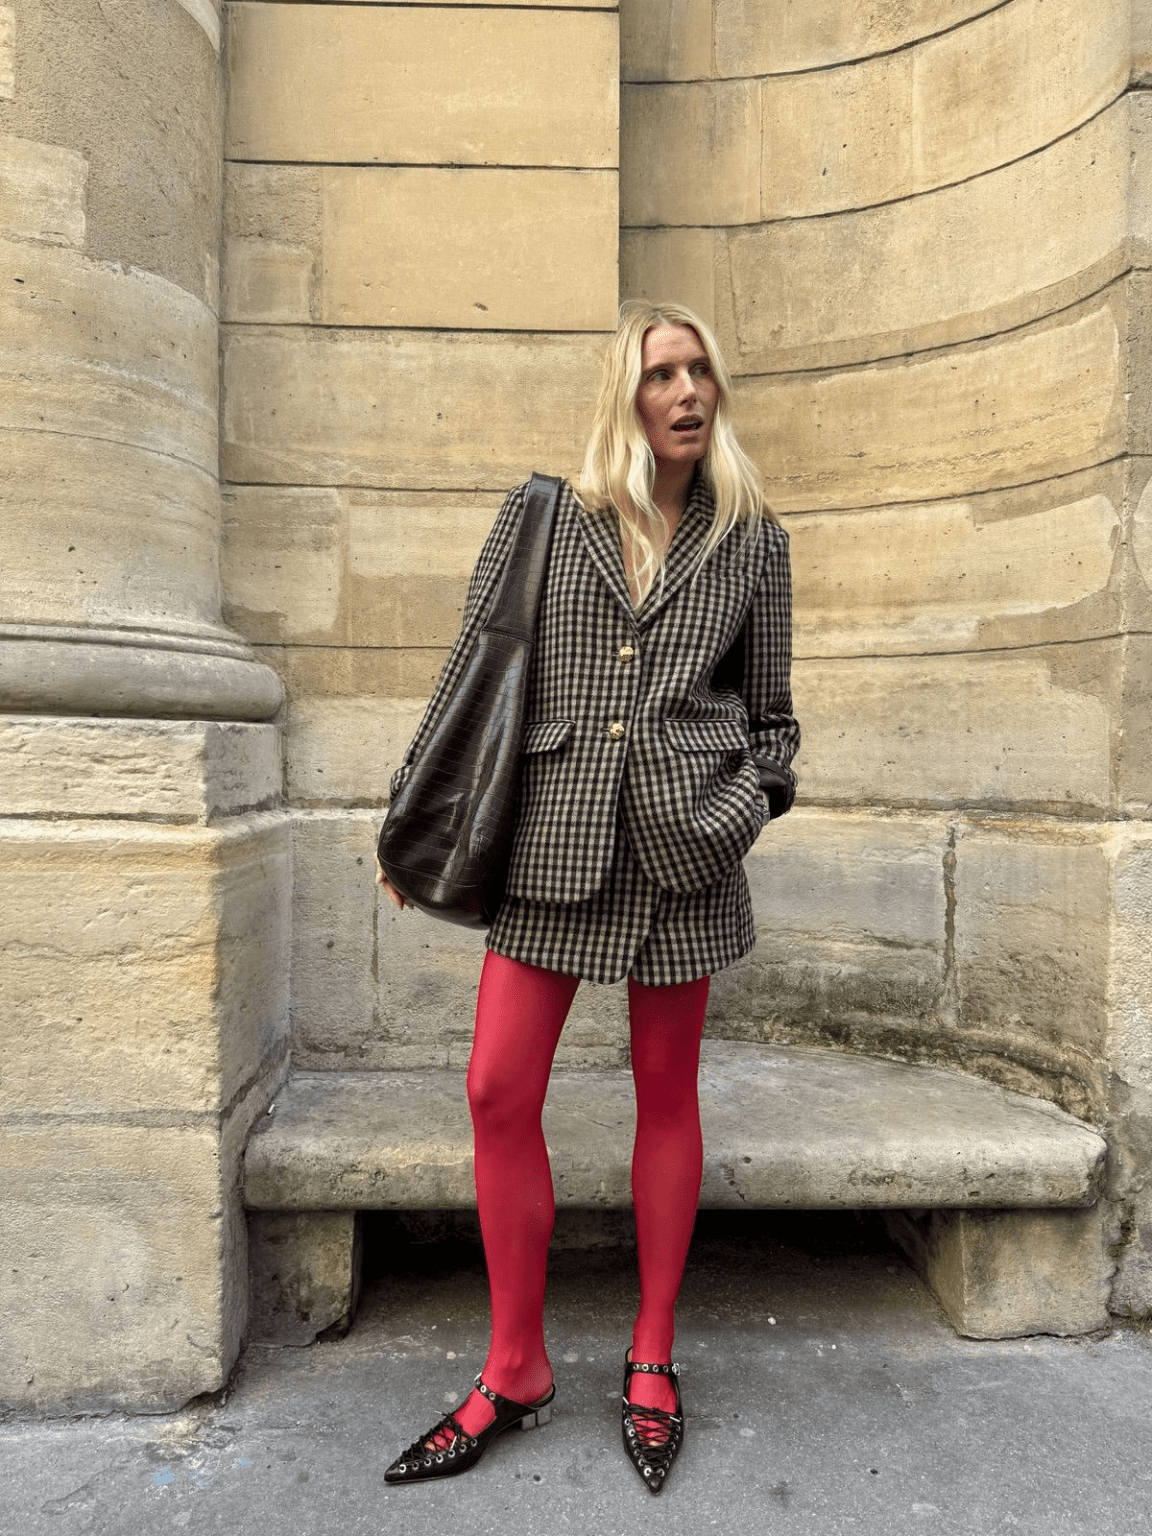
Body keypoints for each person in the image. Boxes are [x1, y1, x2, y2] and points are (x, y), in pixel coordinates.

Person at [375, 300, 799, 1495]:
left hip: (685, 852)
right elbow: (474, 671)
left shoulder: (755, 542)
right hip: (552, 841)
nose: (687, 392)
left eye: (700, 370)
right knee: (496, 1089)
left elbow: (775, 728)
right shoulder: (549, 517)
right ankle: (515, 1365)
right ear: (627, 391)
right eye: (662, 373)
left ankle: (651, 1354)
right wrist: (414, 820)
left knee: (667, 1096)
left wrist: (735, 812)